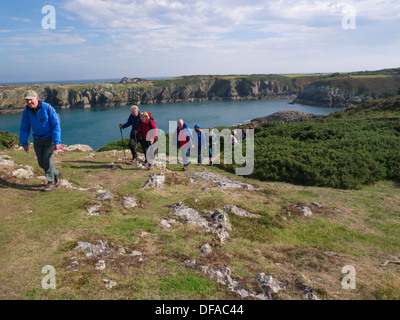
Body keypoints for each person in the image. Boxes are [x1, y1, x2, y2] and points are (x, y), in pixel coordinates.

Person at [19, 90, 63, 192]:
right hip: (37, 139)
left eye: (31, 99)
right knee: (41, 163)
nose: (29, 102)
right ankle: (57, 174)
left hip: (49, 138)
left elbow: (56, 125)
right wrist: (24, 143)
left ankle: (51, 182)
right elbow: (24, 127)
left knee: (46, 160)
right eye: (27, 100)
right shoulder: (27, 111)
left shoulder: (47, 108)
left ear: (37, 98)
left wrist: (57, 142)